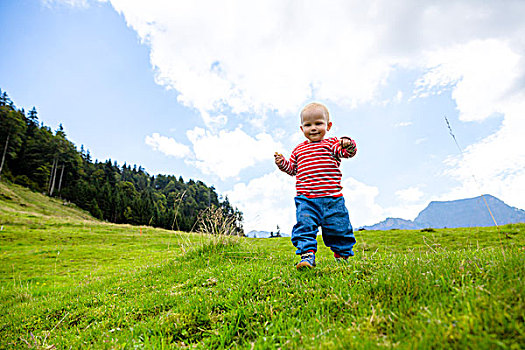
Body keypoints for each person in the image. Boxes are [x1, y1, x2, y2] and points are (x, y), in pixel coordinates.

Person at [274, 102, 357, 269]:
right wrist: (282, 163)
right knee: (304, 227)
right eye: (308, 125)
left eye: (318, 123)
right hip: (306, 200)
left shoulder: (332, 144)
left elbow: (348, 153)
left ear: (328, 125)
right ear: (301, 128)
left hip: (332, 199)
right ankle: (307, 256)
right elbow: (292, 170)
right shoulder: (298, 150)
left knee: (339, 228)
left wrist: (348, 143)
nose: (313, 128)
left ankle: (342, 257)